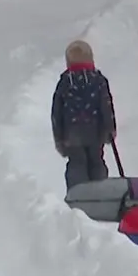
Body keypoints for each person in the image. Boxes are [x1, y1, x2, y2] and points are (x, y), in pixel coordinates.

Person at [51, 40, 117, 189]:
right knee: (97, 161)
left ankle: (78, 194)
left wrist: (59, 138)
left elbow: (57, 113)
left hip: (72, 133)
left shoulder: (65, 82)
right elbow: (106, 106)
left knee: (76, 163)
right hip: (96, 131)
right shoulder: (98, 80)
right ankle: (100, 193)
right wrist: (110, 128)